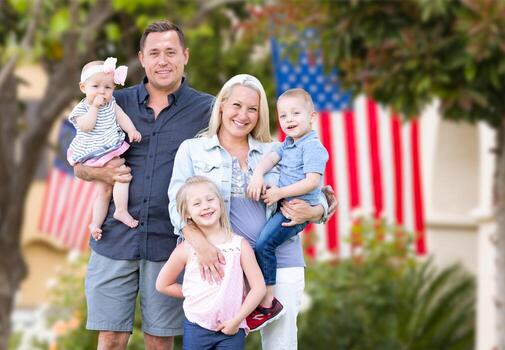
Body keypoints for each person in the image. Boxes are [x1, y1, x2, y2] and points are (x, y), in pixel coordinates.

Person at [74, 20, 214, 350]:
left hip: (171, 243)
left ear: (185, 56)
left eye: (170, 52)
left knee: (159, 341)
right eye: (154, 53)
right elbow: (79, 164)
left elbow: (243, 155)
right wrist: (102, 175)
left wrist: (316, 193)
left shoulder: (207, 109)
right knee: (110, 338)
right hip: (114, 238)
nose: (162, 60)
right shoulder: (112, 101)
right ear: (141, 57)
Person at [168, 74, 335, 349]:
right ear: (221, 105)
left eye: (252, 109)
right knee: (224, 340)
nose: (243, 115)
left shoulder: (278, 150)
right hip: (223, 265)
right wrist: (200, 246)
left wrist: (316, 211)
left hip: (280, 260)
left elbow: (317, 193)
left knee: (280, 344)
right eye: (236, 105)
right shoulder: (193, 150)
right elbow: (177, 205)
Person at [246, 88, 328, 321]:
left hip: (296, 211)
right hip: (285, 206)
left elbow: (312, 183)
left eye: (295, 113)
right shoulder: (289, 143)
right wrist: (258, 174)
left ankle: (267, 301)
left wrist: (280, 192)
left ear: (311, 117)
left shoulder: (313, 147)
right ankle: (263, 296)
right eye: (283, 116)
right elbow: (271, 158)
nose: (289, 120)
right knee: (262, 243)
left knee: (264, 245)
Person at [156, 176, 266, 350]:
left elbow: (259, 288)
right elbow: (162, 284)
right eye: (197, 203)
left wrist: (237, 321)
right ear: (187, 214)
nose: (205, 206)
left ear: (221, 204)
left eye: (210, 199)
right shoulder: (186, 249)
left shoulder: (239, 245)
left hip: (232, 328)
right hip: (196, 326)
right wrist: (193, 292)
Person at [68, 57, 142, 240]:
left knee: (105, 191)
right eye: (96, 86)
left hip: (108, 148)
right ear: (83, 87)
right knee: (122, 175)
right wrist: (94, 107)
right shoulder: (81, 109)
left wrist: (131, 130)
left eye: (108, 87)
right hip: (93, 151)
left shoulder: (111, 104)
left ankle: (95, 223)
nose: (102, 91)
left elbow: (122, 117)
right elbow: (86, 126)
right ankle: (121, 210)